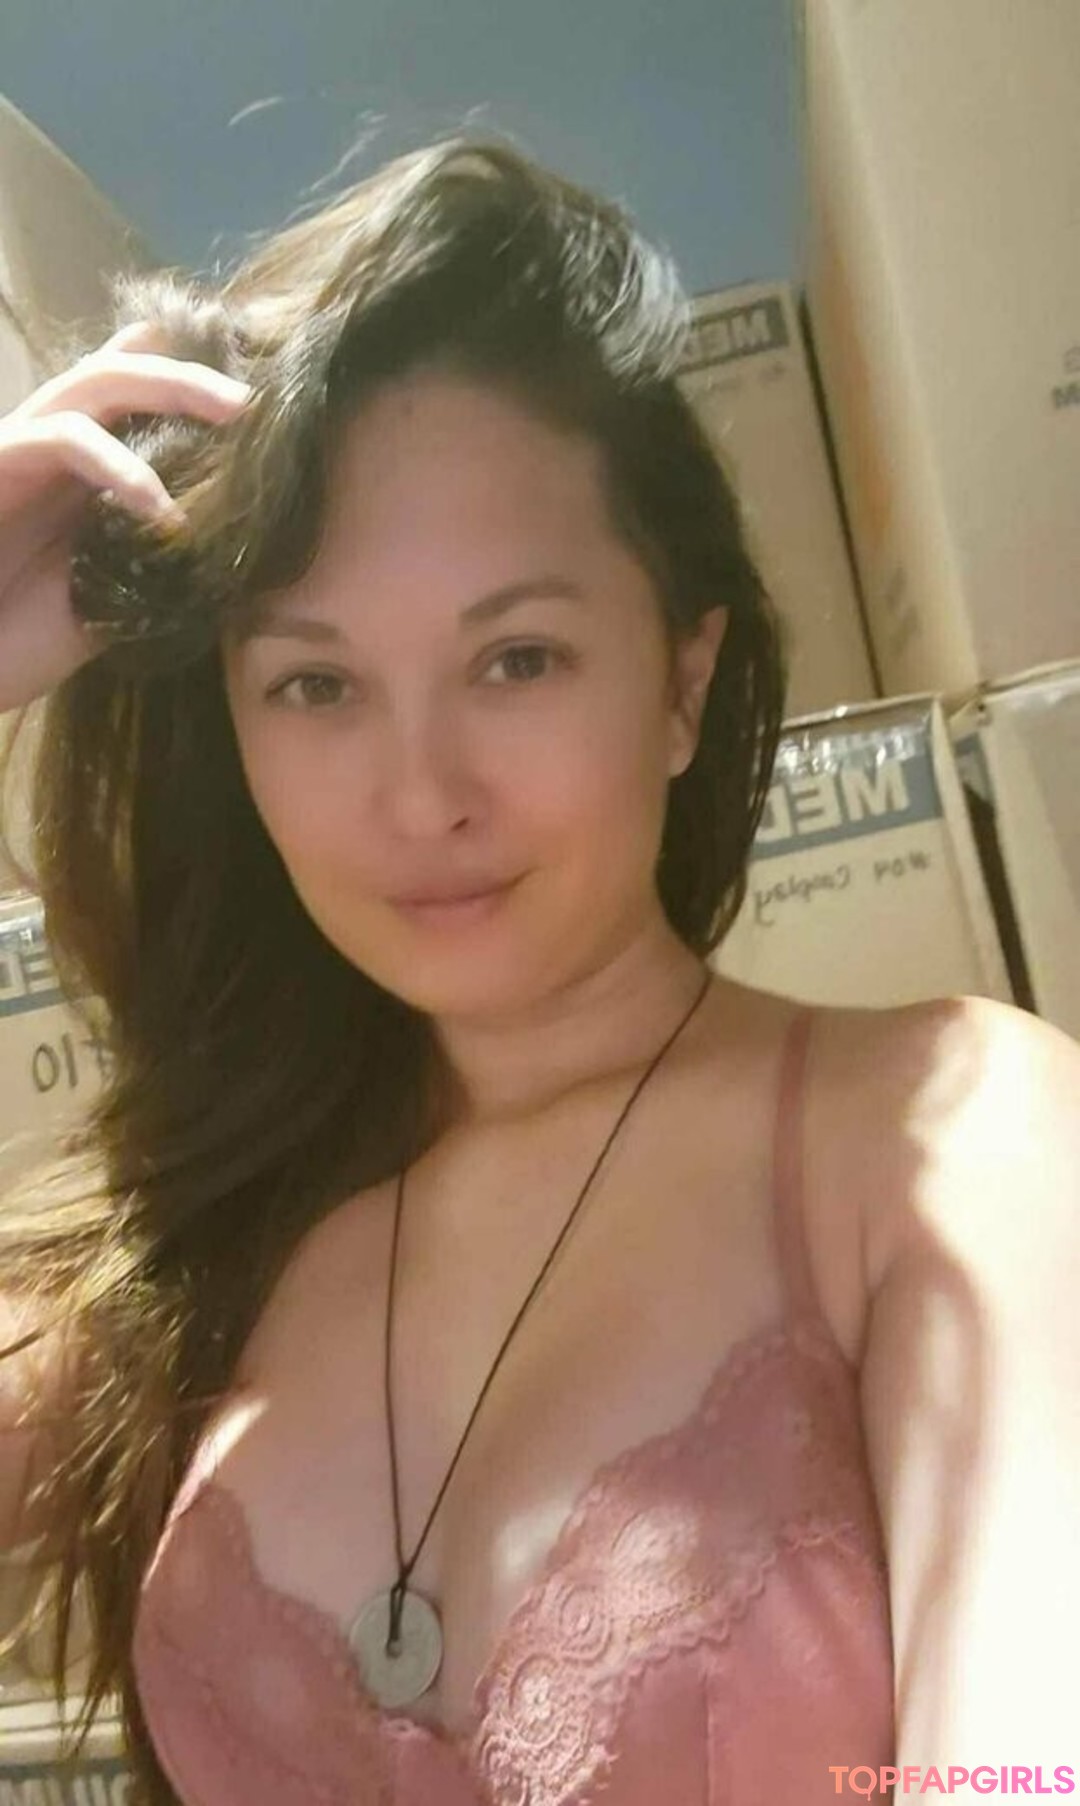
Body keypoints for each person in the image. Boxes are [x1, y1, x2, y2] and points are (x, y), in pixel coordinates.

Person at [0, 133, 1076, 1806]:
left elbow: (1026, 1770)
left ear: (682, 682)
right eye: (315, 686)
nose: (422, 795)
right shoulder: (180, 1254)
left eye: (517, 658)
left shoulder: (946, 1137)